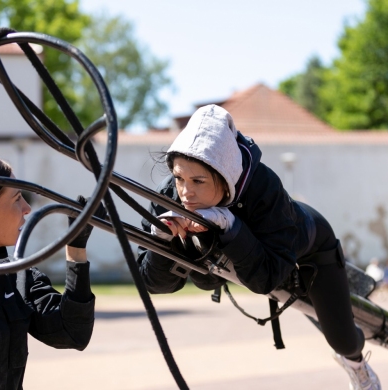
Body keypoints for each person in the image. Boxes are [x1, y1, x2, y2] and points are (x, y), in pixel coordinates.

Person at [137, 104, 381, 390]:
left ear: (224, 174)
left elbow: (263, 280)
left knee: (342, 339)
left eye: (198, 181)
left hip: (310, 246)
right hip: (248, 257)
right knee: (203, 277)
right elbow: (155, 284)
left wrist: (230, 224)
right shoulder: (169, 196)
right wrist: (160, 238)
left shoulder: (265, 189)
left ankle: (358, 366)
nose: (186, 192)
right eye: (179, 178)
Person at [0, 158, 101, 390]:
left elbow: (72, 332)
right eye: (16, 199)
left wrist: (76, 245)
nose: (27, 208)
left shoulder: (15, 275)